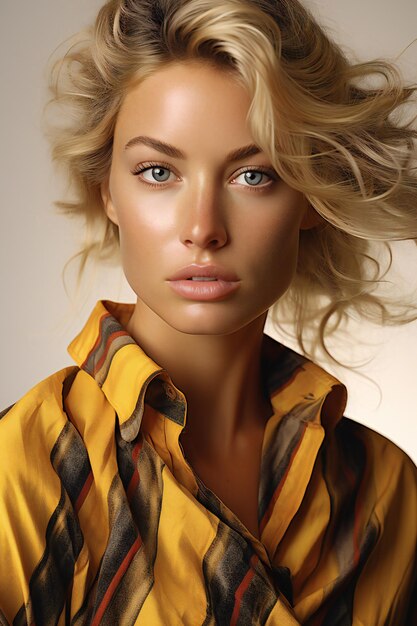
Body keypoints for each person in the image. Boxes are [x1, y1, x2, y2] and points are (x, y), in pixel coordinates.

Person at [0, 0, 416, 623]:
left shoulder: (385, 493)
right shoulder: (23, 472)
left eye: (254, 175)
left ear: (310, 193)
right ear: (107, 192)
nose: (203, 229)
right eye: (158, 171)